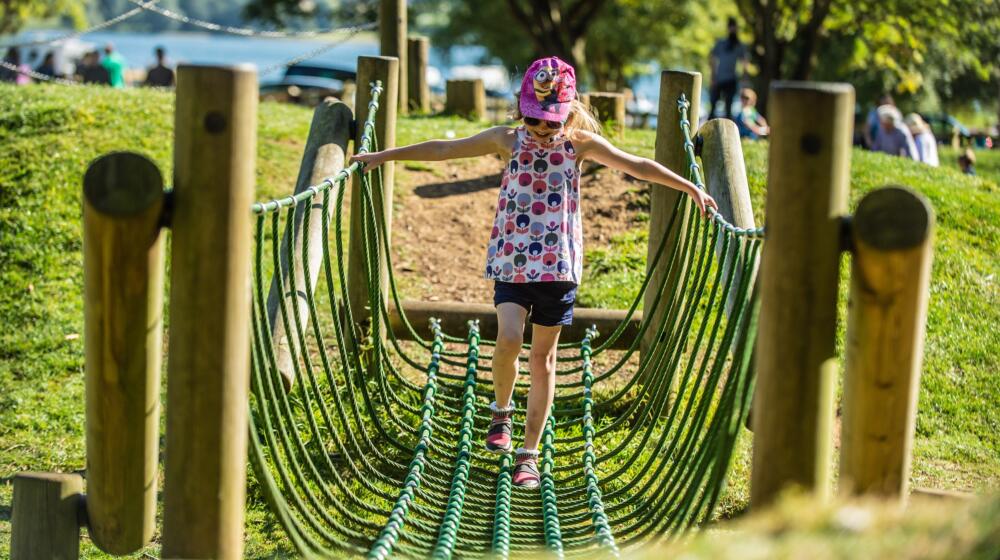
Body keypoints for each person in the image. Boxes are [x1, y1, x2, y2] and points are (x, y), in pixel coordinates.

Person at [349, 56, 717, 489]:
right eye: (535, 121)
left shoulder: (578, 145)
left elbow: (636, 164)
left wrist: (690, 185)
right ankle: (501, 411)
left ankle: (529, 455)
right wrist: (383, 156)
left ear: (569, 113)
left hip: (558, 267)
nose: (542, 131)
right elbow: (445, 148)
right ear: (521, 110)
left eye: (551, 123)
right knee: (507, 338)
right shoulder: (508, 139)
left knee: (542, 359)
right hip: (513, 261)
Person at [708, 17, 748, 120]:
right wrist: (712, 77)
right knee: (713, 105)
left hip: (731, 80)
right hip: (719, 79)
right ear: (728, 28)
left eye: (734, 27)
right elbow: (712, 59)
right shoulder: (721, 43)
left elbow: (744, 63)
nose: (733, 29)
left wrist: (744, 79)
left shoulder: (739, 45)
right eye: (731, 27)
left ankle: (728, 133)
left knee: (728, 107)